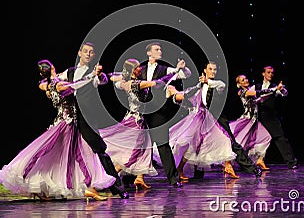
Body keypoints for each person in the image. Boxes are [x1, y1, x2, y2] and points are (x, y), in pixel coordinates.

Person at [0, 59, 117, 201]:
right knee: (62, 156)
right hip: (66, 124)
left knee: (62, 157)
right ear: (52, 67)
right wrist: (91, 76)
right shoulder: (57, 85)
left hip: (69, 122)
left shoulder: (48, 84)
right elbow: (75, 85)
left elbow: (45, 84)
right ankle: (43, 185)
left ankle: (87, 188)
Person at [57, 42, 129, 198]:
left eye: (91, 52)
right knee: (60, 150)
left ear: (94, 56)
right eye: (86, 51)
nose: (88, 54)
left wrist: (99, 74)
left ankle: (118, 188)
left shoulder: (94, 72)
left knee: (99, 150)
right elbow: (55, 82)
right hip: (69, 117)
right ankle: (54, 187)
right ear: (80, 53)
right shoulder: (69, 72)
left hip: (86, 118)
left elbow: (102, 80)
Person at [167, 62, 263, 179]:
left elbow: (217, 85)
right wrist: (176, 94)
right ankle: (196, 172)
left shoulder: (219, 84)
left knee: (231, 143)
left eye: (215, 69)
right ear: (205, 70)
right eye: (210, 69)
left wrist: (206, 81)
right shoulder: (199, 87)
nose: (212, 71)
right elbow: (187, 97)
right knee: (196, 145)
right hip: (202, 119)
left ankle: (252, 169)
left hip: (218, 119)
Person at [100, 58, 176, 189]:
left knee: (138, 152)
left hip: (136, 119)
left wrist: (116, 77)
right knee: (133, 153)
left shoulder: (127, 82)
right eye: (138, 67)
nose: (141, 68)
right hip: (135, 121)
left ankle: (136, 178)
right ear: (134, 70)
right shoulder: (136, 84)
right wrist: (172, 73)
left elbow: (114, 78)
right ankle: (107, 180)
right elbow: (156, 82)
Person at [138, 42, 192, 187]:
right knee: (139, 145)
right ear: (149, 53)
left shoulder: (165, 69)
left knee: (163, 145)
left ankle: (173, 179)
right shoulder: (141, 70)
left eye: (160, 49)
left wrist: (182, 68)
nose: (160, 51)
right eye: (156, 49)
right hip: (142, 112)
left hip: (158, 112)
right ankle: (133, 178)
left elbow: (185, 74)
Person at [250, 65, 298, 169]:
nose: (270, 74)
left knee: (279, 138)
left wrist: (282, 89)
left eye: (272, 73)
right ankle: (251, 162)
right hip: (257, 116)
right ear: (263, 73)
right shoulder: (256, 86)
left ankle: (291, 162)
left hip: (270, 117)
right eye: (268, 72)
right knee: (254, 139)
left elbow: (284, 93)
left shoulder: (275, 86)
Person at [229, 74, 274, 171]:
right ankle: (228, 162)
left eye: (246, 78)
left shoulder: (249, 90)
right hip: (247, 120)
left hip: (254, 121)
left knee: (266, 137)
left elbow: (257, 99)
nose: (245, 80)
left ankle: (260, 160)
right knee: (241, 142)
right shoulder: (243, 92)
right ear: (239, 84)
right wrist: (274, 89)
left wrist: (267, 96)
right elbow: (259, 92)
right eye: (242, 80)